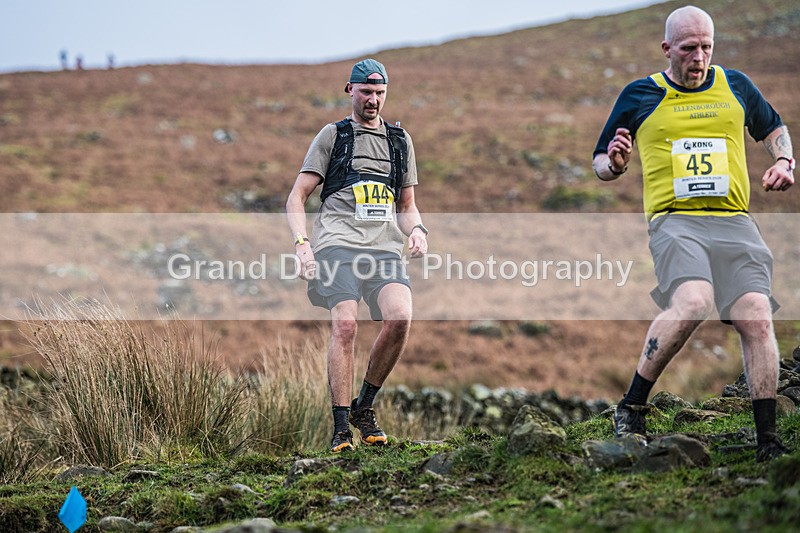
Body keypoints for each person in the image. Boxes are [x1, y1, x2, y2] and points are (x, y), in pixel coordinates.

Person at [592, 6, 794, 462]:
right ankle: (633, 405)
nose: (699, 57)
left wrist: (784, 161)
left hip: (735, 221)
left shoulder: (735, 85)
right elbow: (601, 160)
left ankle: (768, 442)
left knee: (757, 316)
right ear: (667, 49)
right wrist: (617, 165)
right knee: (694, 301)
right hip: (675, 221)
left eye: (707, 47)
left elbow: (774, 127)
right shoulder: (641, 94)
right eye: (688, 48)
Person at [286, 59, 428, 453]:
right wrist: (302, 245)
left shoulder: (400, 142)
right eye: (366, 92)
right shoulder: (334, 136)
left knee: (399, 318)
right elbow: (296, 197)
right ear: (350, 90)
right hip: (337, 244)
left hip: (383, 247)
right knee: (346, 326)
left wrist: (417, 230)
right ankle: (341, 428)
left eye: (380, 93)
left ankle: (365, 407)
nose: (373, 100)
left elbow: (407, 205)